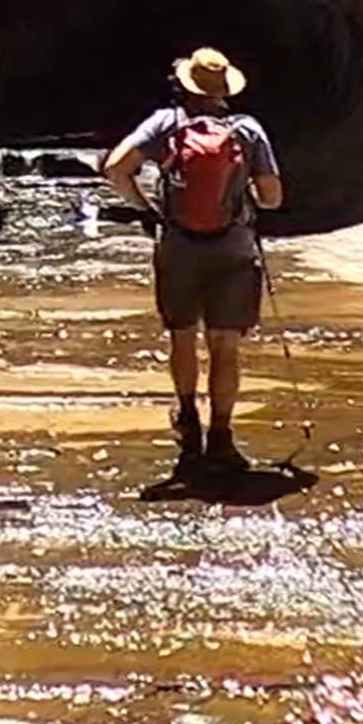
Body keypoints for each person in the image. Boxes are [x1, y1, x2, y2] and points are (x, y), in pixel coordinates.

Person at [102, 49, 284, 482]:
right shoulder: (247, 130)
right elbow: (273, 197)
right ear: (224, 91)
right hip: (234, 248)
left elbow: (115, 168)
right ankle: (221, 435)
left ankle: (187, 417)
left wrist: (148, 209)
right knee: (225, 345)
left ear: (185, 87)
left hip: (179, 246)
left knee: (183, 337)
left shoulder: (165, 123)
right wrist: (243, 199)